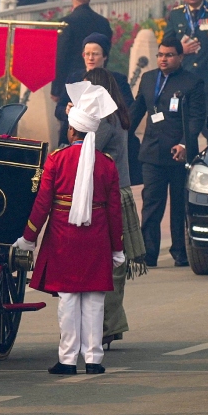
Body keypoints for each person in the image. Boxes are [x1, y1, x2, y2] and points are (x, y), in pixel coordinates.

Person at [15, 82, 124, 375]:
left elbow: (42, 205)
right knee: (95, 300)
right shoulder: (107, 164)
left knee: (68, 301)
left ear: (73, 131)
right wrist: (118, 248)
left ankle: (66, 359)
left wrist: (29, 237)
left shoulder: (56, 160)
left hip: (63, 236)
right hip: (98, 235)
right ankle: (93, 359)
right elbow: (115, 211)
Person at [79, 68, 145, 350]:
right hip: (120, 193)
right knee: (115, 263)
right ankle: (111, 326)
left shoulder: (104, 120)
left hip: (108, 198)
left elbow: (84, 149)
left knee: (107, 264)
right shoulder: (116, 114)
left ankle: (105, 327)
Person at [129, 36, 204, 267]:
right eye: (160, 54)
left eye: (169, 55)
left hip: (179, 153)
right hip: (152, 152)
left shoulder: (192, 82)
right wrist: (120, 132)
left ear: (180, 57)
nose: (163, 59)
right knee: (151, 202)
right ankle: (148, 253)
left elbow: (195, 118)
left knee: (180, 205)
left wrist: (184, 144)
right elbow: (137, 111)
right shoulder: (149, 78)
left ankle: (180, 252)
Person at [164, 0, 208, 130]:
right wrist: (180, 49)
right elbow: (165, 45)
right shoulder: (177, 15)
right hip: (185, 76)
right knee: (185, 122)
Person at [54, 34, 135, 144]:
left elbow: (128, 107)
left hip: (104, 137)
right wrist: (67, 111)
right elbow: (58, 109)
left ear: (105, 56)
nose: (90, 58)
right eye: (87, 54)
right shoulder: (74, 78)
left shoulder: (117, 79)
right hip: (72, 137)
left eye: (95, 54)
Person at [55, 0, 112, 89]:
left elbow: (61, 57)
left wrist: (56, 88)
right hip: (99, 80)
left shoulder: (66, 23)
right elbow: (106, 52)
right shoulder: (103, 22)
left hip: (71, 82)